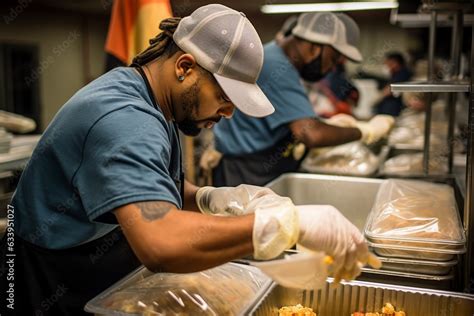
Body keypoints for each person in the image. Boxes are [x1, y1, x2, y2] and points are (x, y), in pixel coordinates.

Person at [0, 5, 375, 315]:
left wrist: (212, 197)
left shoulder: (154, 100)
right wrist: (283, 224)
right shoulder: (124, 119)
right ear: (185, 67)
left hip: (90, 254)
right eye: (226, 96)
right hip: (45, 271)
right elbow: (162, 242)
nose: (229, 112)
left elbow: (153, 188)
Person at [210, 12, 394, 187]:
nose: (332, 69)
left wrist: (329, 124)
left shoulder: (278, 58)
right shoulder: (276, 65)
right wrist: (366, 130)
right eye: (334, 58)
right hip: (248, 169)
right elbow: (311, 134)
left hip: (260, 161)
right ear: (314, 47)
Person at [373, 52, 413, 116]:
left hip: (394, 108)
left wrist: (377, 98)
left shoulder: (403, 74)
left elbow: (389, 90)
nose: (387, 66)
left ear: (395, 63)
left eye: (388, 64)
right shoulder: (395, 74)